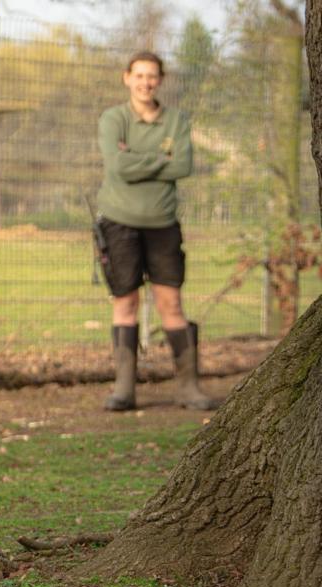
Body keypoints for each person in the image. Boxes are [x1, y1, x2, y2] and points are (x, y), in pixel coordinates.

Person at [96, 51, 219, 411]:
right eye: (139, 75)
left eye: (152, 76)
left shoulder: (177, 120)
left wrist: (138, 159)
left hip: (163, 223)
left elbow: (183, 164)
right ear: (126, 78)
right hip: (119, 221)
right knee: (126, 302)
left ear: (160, 80)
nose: (145, 82)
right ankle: (124, 390)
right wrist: (159, 161)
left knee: (171, 303)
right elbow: (118, 167)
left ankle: (188, 388)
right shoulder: (113, 119)